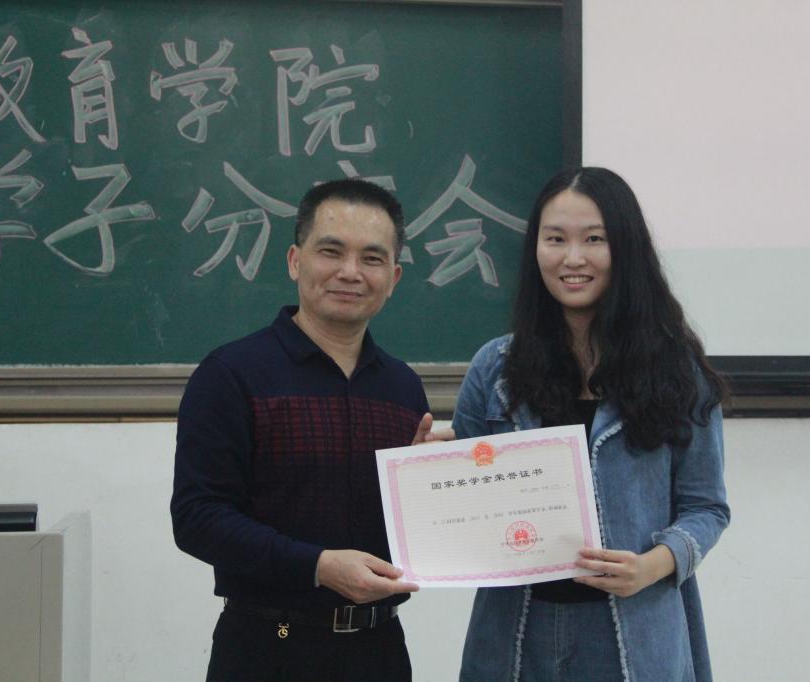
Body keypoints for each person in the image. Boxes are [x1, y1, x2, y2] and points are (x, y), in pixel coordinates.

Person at [453, 168, 730, 681]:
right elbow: (470, 504)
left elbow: (706, 506)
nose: (573, 258)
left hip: (634, 632)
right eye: (555, 239)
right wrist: (433, 468)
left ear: (625, 248)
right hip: (517, 633)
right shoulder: (495, 368)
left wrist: (651, 566)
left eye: (594, 240)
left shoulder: (676, 370)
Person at [171, 178, 452, 682]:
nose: (351, 272)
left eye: (371, 258)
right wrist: (318, 566)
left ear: (393, 277)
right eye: (331, 251)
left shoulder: (403, 387)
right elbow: (198, 518)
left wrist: (428, 488)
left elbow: (406, 536)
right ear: (295, 261)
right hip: (267, 648)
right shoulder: (231, 374)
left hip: (380, 651)